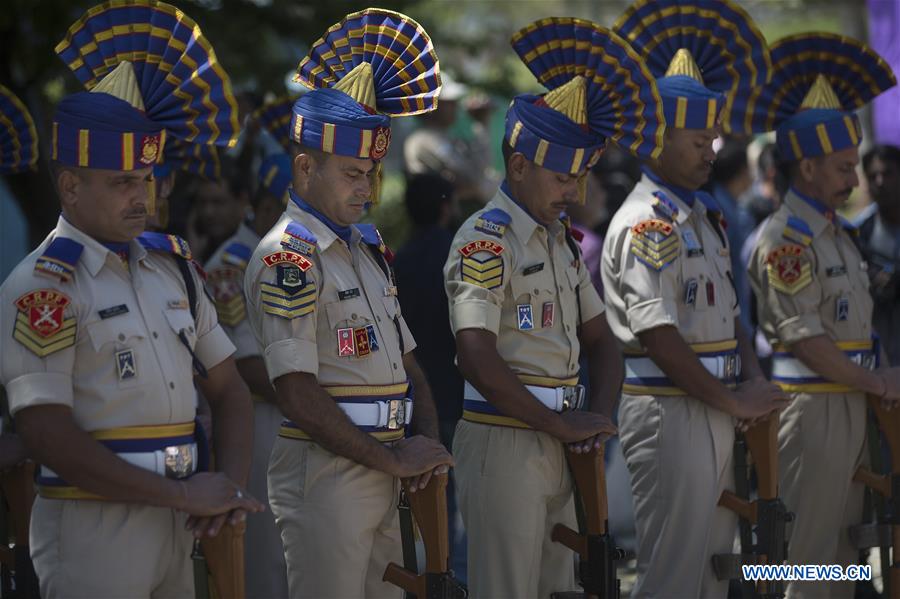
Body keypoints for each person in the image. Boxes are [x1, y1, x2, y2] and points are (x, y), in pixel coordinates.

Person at [0, 3, 263, 596]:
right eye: (122, 182)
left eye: (146, 180)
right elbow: (44, 433)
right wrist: (183, 493)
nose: (142, 197)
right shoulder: (43, 286)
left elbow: (230, 392)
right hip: (93, 525)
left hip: (182, 517)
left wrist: (228, 491)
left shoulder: (173, 269)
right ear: (69, 185)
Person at [444, 17, 664, 598]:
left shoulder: (559, 240)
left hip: (565, 438)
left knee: (560, 590)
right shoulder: (484, 240)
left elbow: (603, 342)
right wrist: (562, 425)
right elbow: (474, 355)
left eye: (582, 178)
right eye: (566, 178)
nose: (577, 194)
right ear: (518, 166)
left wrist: (601, 421)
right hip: (506, 440)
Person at [243, 9, 452, 598]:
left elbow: (409, 365)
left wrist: (428, 446)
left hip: (391, 468)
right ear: (305, 166)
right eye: (352, 173)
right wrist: (396, 462)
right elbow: (297, 392)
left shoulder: (363, 247)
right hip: (328, 478)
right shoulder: (290, 255)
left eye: (372, 174)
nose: (366, 188)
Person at [604, 2, 788, 596]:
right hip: (670, 412)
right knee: (673, 574)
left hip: (714, 406)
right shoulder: (645, 223)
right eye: (697, 138)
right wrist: (735, 403)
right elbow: (659, 337)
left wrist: (752, 385)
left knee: (714, 573)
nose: (712, 148)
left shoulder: (702, 217)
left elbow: (733, 319)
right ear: (657, 139)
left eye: (713, 135)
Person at [743, 32, 900, 598]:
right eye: (842, 167)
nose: (856, 180)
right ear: (806, 168)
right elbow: (806, 339)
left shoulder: (836, 233)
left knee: (845, 557)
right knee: (807, 561)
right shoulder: (786, 239)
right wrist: (879, 380)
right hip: (812, 411)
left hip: (849, 403)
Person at [201, 153, 289, 599]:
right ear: (271, 207)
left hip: (298, 421)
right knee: (266, 560)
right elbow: (247, 367)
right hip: (260, 426)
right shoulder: (230, 265)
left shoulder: (294, 255)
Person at [859, 145, 900, 366]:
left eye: (888, 173)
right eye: (873, 176)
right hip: (881, 360)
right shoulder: (858, 234)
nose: (880, 182)